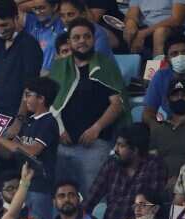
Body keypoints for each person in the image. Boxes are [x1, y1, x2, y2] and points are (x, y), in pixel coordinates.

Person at [49, 19, 127, 196]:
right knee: (62, 197)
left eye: (87, 36)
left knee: (94, 198)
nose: (82, 41)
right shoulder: (59, 67)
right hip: (63, 145)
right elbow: (50, 104)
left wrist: (96, 128)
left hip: (95, 145)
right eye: (76, 37)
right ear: (69, 41)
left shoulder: (106, 65)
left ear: (93, 39)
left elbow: (117, 104)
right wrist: (60, 129)